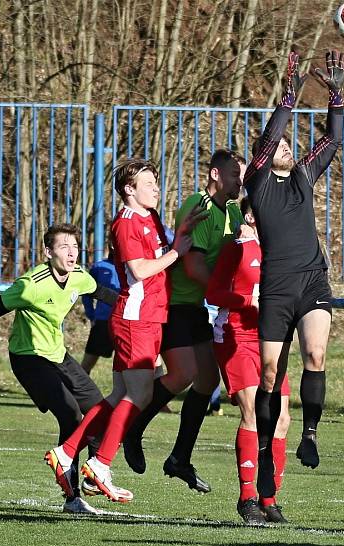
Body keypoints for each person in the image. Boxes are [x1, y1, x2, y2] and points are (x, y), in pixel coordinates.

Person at [44, 158, 203, 503]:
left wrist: (183, 233)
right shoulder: (126, 222)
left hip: (149, 316)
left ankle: (68, 452)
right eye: (148, 183)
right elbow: (139, 269)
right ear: (129, 190)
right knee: (139, 395)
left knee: (118, 397)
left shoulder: (150, 217)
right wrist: (176, 252)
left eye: (156, 182)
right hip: (135, 318)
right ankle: (100, 464)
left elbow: (160, 254)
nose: (156, 189)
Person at [242, 49, 344, 487]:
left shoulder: (304, 176)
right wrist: (287, 100)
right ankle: (266, 453)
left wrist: (337, 95)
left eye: (289, 146)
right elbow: (269, 139)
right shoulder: (259, 181)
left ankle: (309, 434)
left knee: (316, 354)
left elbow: (334, 138)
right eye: (280, 147)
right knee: (269, 374)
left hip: (312, 281)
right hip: (276, 288)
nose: (286, 147)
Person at [0, 223, 119, 515]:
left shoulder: (79, 276)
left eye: (75, 247)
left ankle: (94, 476)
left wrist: (137, 304)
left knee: (99, 409)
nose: (71, 253)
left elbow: (104, 294)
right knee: (71, 414)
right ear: (48, 252)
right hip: (28, 358)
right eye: (64, 247)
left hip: (58, 355)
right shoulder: (30, 285)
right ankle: (71, 498)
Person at [122, 149, 246, 494]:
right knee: (184, 373)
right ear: (216, 175)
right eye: (236, 174)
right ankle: (133, 428)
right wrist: (231, 297)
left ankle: (179, 458)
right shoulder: (198, 206)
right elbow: (192, 267)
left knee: (207, 380)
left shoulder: (234, 211)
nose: (241, 181)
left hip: (195, 307)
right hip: (173, 303)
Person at [206, 197, 292, 526]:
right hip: (236, 335)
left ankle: (269, 498)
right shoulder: (236, 246)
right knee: (255, 413)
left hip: (271, 339)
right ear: (251, 215)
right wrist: (247, 300)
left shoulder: (280, 247)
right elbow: (214, 293)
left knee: (282, 419)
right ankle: (247, 499)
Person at [81, 249, 120, 374]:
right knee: (87, 364)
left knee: (126, 366)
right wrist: (91, 315)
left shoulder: (136, 266)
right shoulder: (99, 267)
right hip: (103, 321)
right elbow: (86, 293)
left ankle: (125, 392)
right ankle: (74, 390)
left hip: (126, 321)